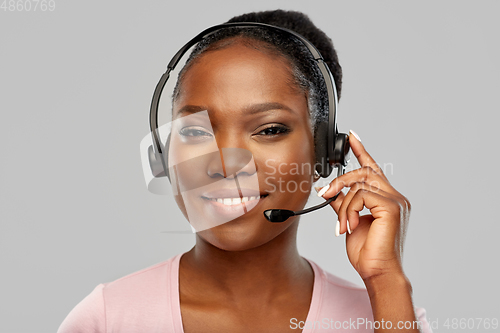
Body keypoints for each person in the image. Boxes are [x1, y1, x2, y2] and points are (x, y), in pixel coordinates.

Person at [58, 9, 432, 333]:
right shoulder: (107, 318)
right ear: (164, 154)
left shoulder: (388, 316)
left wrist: (386, 281)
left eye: (269, 130)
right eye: (195, 131)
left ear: (324, 154)